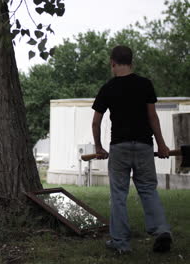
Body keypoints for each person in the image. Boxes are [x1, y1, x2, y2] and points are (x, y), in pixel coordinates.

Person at [91, 45, 172, 254]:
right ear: (131, 62)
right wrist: (161, 144)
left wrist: (99, 147)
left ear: (112, 63)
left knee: (118, 194)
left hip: (119, 147)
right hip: (144, 145)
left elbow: (96, 122)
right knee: (147, 189)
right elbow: (152, 117)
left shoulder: (108, 88)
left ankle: (121, 243)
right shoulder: (145, 84)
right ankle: (161, 230)